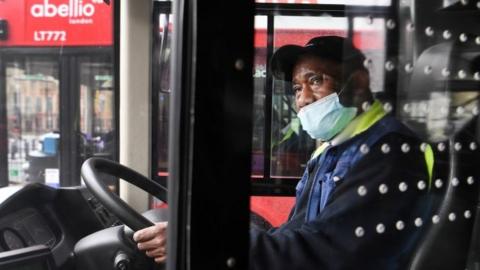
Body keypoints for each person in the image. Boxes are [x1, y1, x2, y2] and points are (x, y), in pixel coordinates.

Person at [133, 36, 433, 269]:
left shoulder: (388, 151)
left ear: (357, 84)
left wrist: (207, 243)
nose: (302, 99)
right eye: (295, 88)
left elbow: (328, 251)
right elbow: (298, 230)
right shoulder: (330, 151)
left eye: (315, 81)